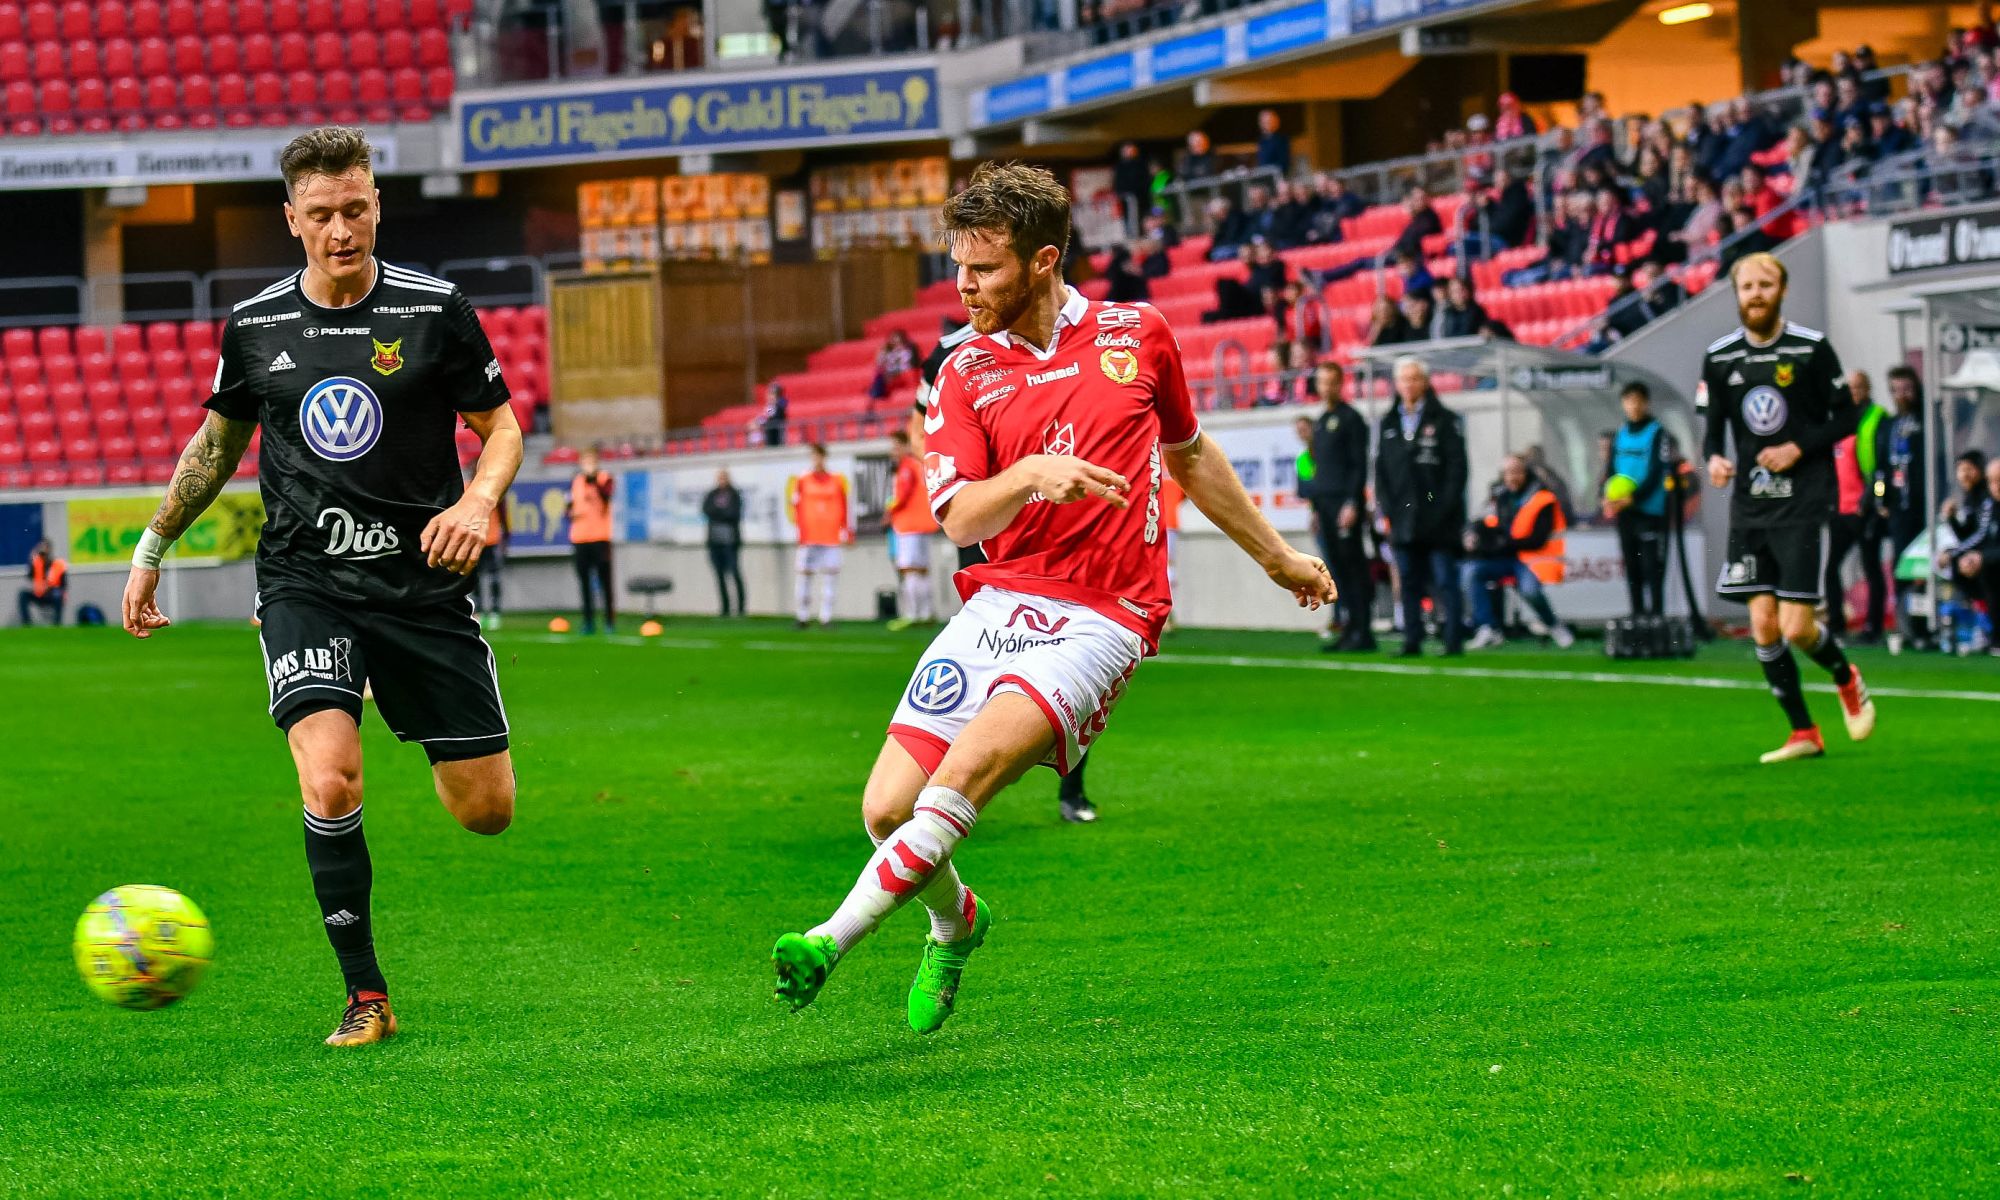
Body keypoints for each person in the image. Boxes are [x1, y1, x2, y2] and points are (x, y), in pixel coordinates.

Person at [768, 162, 1333, 1031]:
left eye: (984, 270)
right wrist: (1029, 475)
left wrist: (1275, 555)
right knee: (884, 809)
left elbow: (1188, 453)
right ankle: (957, 923)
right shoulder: (961, 373)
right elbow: (958, 520)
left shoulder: (1136, 334)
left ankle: (828, 939)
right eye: (957, 267)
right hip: (997, 603)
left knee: (959, 781)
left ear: (1044, 260)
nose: (964, 288)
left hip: (1105, 613)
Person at [118, 126, 522, 1047]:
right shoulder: (257, 327)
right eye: (323, 214)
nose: (343, 229)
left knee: (485, 812)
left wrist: (478, 499)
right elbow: (215, 447)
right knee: (332, 780)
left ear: (376, 204)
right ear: (291, 219)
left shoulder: (436, 310)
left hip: (421, 587)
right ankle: (365, 993)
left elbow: (501, 427)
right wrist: (150, 550)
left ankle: (382, 677)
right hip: (308, 583)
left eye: (357, 208)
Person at [1702, 252, 1875, 764]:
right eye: (1746, 286)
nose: (1754, 293)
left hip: (1802, 499)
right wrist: (1714, 458)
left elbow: (1847, 417)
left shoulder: (1811, 350)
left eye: (1764, 284)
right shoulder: (1720, 357)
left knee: (1797, 627)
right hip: (1750, 504)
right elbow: (1713, 423)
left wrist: (1799, 447)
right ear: (1736, 294)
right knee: (1762, 625)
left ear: (1783, 289)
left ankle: (1846, 677)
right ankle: (1804, 732)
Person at [1375, 356, 1468, 657]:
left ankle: (1453, 641)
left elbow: (1457, 470)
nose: (1410, 384)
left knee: (1444, 580)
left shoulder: (1445, 420)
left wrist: (1442, 507)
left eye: (1415, 378)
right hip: (1403, 516)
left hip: (1438, 516)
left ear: (1425, 382)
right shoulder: (1389, 422)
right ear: (1397, 384)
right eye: (1404, 379)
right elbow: (1382, 472)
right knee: (1409, 583)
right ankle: (1411, 640)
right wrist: (1389, 508)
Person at [1462, 455, 1576, 649]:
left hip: (1531, 559)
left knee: (1530, 591)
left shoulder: (1543, 498)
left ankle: (1554, 624)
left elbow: (1537, 539)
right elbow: (1486, 522)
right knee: (1471, 572)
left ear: (1526, 473)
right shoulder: (1500, 497)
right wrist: (1473, 535)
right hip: (1506, 558)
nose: (1512, 477)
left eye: (1517, 472)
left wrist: (1502, 543)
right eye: (1508, 472)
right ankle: (1488, 628)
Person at [1305, 360, 1374, 651]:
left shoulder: (1351, 419)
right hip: (1325, 506)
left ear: (1340, 384)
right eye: (1321, 382)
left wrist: (1351, 503)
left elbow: (1358, 466)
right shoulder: (1320, 422)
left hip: (1344, 506)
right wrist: (1315, 510)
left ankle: (1363, 631)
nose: (1326, 388)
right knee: (1337, 571)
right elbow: (1320, 470)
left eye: (1331, 382)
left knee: (1353, 567)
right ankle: (1349, 629)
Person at [1606, 382, 1671, 616]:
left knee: (1652, 568)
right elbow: (1611, 470)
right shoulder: (1620, 433)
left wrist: (1633, 498)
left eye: (1637, 400)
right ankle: (1637, 617)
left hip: (1650, 512)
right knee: (1632, 567)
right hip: (1626, 513)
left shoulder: (1657, 433)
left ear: (1646, 403)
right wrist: (1610, 498)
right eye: (1628, 400)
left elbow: (1656, 471)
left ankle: (1655, 619)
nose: (1633, 406)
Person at [1879, 365, 1931, 645]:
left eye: (1907, 389)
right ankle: (1905, 624)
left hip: (1924, 506)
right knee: (1901, 565)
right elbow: (1880, 470)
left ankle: (1926, 625)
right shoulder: (1888, 426)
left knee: (1924, 566)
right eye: (1896, 390)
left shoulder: (1927, 421)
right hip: (1899, 508)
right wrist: (1880, 499)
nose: (1902, 395)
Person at [1839, 370, 1891, 642]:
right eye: (1850, 388)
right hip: (1842, 506)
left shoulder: (1878, 419)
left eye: (1858, 387)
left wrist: (1875, 500)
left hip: (1867, 506)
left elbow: (1881, 470)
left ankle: (1873, 625)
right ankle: (1837, 625)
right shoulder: (1841, 419)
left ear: (1868, 388)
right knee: (1832, 565)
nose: (1854, 392)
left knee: (1871, 566)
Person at [789, 442, 849, 628]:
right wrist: (799, 532)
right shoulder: (802, 480)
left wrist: (846, 530)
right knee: (804, 576)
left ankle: (826, 617)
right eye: (814, 456)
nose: (817, 460)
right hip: (809, 537)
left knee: (830, 577)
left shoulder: (837, 479)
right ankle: (802, 616)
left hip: (831, 537)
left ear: (825, 458)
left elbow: (844, 507)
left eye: (820, 456)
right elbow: (795, 507)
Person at [885, 429, 937, 630]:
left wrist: (889, 508)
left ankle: (912, 614)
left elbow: (902, 496)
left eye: (896, 447)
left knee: (908, 569)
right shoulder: (919, 464)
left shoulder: (906, 467)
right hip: (923, 523)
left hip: (908, 524)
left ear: (905, 446)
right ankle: (926, 613)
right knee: (923, 570)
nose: (894, 451)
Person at [567, 447, 615, 634]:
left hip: (600, 537)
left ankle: (609, 621)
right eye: (585, 461)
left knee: (605, 582)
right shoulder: (576, 481)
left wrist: (593, 480)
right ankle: (588, 621)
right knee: (584, 582)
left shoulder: (605, 479)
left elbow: (606, 495)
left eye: (591, 461)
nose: (587, 465)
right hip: (580, 537)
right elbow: (570, 505)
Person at [702, 469, 746, 617]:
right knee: (719, 576)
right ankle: (725, 608)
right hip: (715, 541)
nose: (722, 480)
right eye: (719, 478)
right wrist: (721, 511)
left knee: (734, 573)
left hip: (730, 541)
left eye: (724, 478)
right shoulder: (712, 494)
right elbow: (707, 510)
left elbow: (733, 513)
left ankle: (740, 609)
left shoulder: (734, 494)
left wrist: (718, 512)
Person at [470, 485, 507, 630]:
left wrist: (507, 535)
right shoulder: (467, 488)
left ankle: (494, 612)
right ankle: (478, 611)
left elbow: (503, 512)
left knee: (494, 578)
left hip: (492, 539)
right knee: (474, 578)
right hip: (473, 539)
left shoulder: (495, 487)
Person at [17, 538, 66, 625]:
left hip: (52, 594)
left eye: (45, 548)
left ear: (50, 550)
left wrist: (52, 588)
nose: (43, 552)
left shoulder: (57, 565)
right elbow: (29, 576)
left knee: (58, 594)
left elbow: (64, 585)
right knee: (23, 594)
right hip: (39, 594)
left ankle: (57, 624)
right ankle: (27, 623)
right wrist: (31, 560)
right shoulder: (37, 563)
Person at [757, 381, 788, 447]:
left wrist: (775, 401)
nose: (770, 396)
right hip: (770, 430)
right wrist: (759, 421)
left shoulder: (782, 402)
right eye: (769, 394)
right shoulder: (769, 406)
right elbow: (768, 415)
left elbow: (782, 406)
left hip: (778, 429)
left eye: (773, 394)